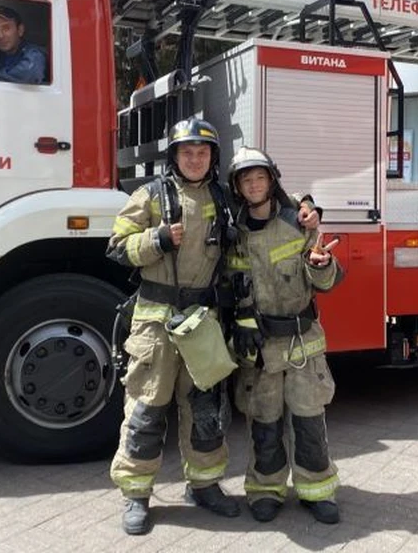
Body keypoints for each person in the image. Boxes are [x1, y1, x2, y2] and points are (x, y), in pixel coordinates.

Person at [106, 119, 320, 536]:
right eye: (186, 152)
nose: (194, 158)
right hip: (156, 321)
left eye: (202, 153)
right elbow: (116, 247)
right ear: (174, 156)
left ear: (212, 158)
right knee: (147, 410)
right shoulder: (150, 195)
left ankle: (204, 485)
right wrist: (158, 240)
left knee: (205, 411)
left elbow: (267, 200)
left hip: (204, 323)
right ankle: (137, 494)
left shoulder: (225, 197)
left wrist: (307, 204)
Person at [225, 146, 344, 525]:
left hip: (302, 343)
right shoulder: (233, 232)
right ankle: (265, 490)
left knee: (309, 421)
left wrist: (323, 265)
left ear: (271, 181)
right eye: (247, 179)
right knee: (264, 423)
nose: (254, 184)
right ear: (238, 187)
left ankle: (316, 490)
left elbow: (324, 278)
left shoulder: (298, 221)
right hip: (259, 348)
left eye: (260, 177)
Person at [0, 6, 47, 84]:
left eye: (6, 28)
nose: (0, 35)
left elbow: (30, 73)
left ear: (20, 30)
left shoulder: (33, 53)